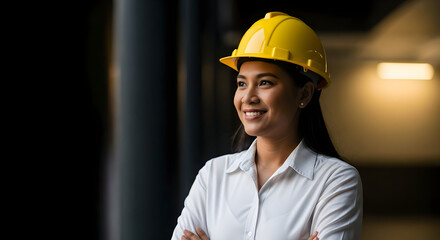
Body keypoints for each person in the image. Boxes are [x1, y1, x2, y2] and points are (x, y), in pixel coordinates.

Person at [172, 12, 363, 240]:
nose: (248, 97)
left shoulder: (335, 181)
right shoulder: (213, 176)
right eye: (242, 84)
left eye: (265, 83)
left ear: (304, 93)